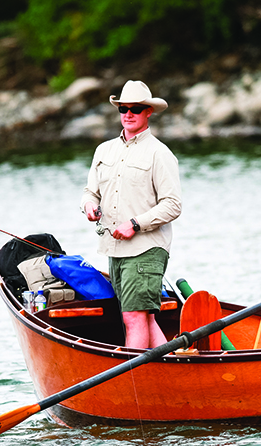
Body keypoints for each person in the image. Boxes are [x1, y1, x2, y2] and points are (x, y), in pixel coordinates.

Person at [81, 80, 182, 348]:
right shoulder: (103, 150)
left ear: (148, 112)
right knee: (145, 319)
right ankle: (167, 372)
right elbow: (90, 193)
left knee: (134, 318)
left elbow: (173, 204)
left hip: (146, 250)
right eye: (123, 108)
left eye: (135, 109)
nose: (128, 114)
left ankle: (131, 381)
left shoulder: (160, 154)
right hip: (114, 250)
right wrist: (89, 206)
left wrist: (135, 224)